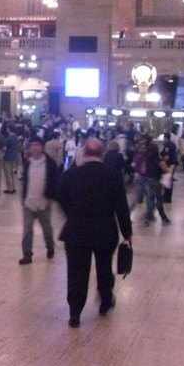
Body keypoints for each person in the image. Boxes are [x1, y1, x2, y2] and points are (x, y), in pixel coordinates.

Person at [58, 139, 133, 328]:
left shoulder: (71, 174)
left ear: (84, 153)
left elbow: (61, 198)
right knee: (104, 269)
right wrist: (127, 232)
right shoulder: (113, 175)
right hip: (104, 230)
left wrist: (72, 215)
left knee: (76, 272)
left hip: (76, 231)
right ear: (102, 154)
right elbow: (121, 207)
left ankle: (75, 313)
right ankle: (105, 301)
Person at [18, 137, 59, 265]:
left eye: (37, 145)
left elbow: (54, 183)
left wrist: (50, 198)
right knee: (27, 229)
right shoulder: (27, 162)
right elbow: (24, 181)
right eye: (32, 145)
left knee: (47, 228)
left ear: (42, 147)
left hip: (44, 202)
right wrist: (23, 198)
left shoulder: (50, 163)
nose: (35, 148)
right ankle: (27, 254)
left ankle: (50, 247)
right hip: (29, 202)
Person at [144, 142, 171, 225]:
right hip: (156, 181)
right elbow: (166, 170)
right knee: (159, 199)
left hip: (148, 180)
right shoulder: (159, 160)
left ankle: (148, 218)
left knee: (149, 199)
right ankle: (163, 217)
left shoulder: (147, 158)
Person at [2, 127, 19, 194]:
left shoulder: (8, 138)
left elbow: (4, 148)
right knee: (11, 173)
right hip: (14, 156)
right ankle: (13, 187)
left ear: (9, 129)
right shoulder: (16, 137)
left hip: (7, 157)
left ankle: (10, 189)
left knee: (7, 174)